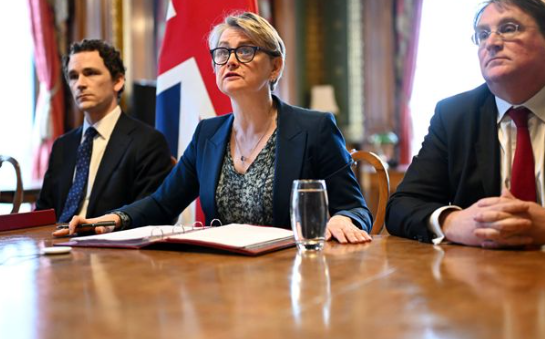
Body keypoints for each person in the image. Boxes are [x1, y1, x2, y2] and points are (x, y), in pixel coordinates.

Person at [56, 13, 373, 244]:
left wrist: (343, 218)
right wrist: (112, 220)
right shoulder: (207, 134)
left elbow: (355, 208)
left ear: (275, 66)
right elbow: (162, 203)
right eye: (222, 53)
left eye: (245, 50)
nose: (230, 61)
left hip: (290, 275)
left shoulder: (314, 128)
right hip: (220, 277)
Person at [386, 0, 545, 249]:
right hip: (479, 269)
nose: (492, 42)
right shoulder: (454, 116)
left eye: (508, 29)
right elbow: (401, 206)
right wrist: (451, 222)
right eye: (483, 34)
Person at [36, 39, 173, 223]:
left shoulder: (147, 142)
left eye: (90, 73)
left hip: (110, 238)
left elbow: (148, 213)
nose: (80, 83)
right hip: (56, 238)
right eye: (73, 76)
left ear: (118, 81)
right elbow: (43, 213)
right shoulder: (63, 145)